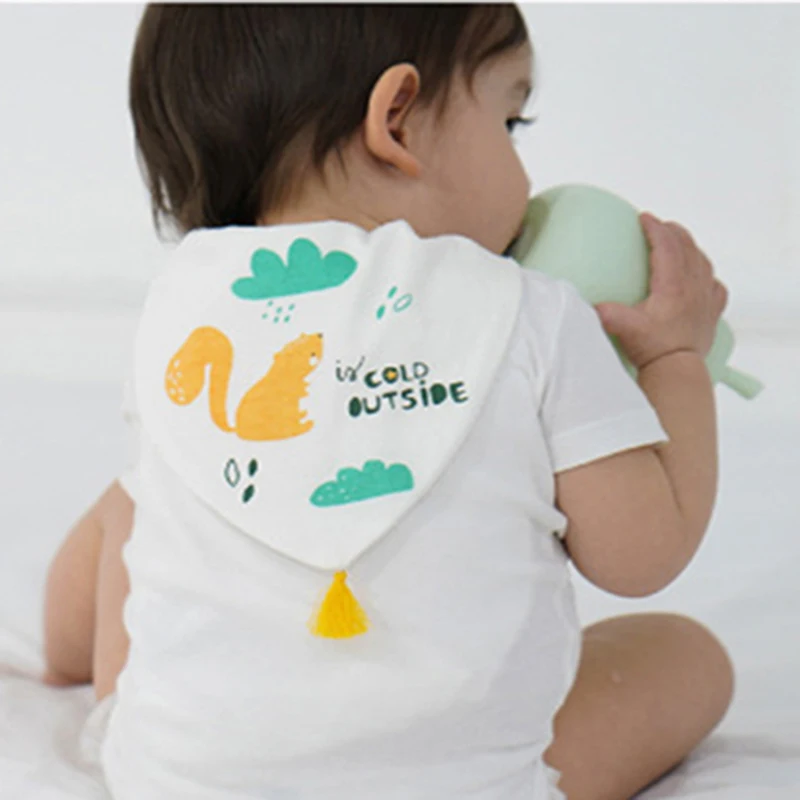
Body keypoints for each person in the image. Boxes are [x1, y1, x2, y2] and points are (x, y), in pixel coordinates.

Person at [40, 5, 734, 799]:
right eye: (509, 122)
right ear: (396, 119)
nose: (525, 175)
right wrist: (675, 358)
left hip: (178, 782)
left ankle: (79, 670)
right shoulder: (534, 313)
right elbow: (643, 555)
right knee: (689, 656)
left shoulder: (175, 308)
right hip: (468, 786)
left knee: (134, 500)